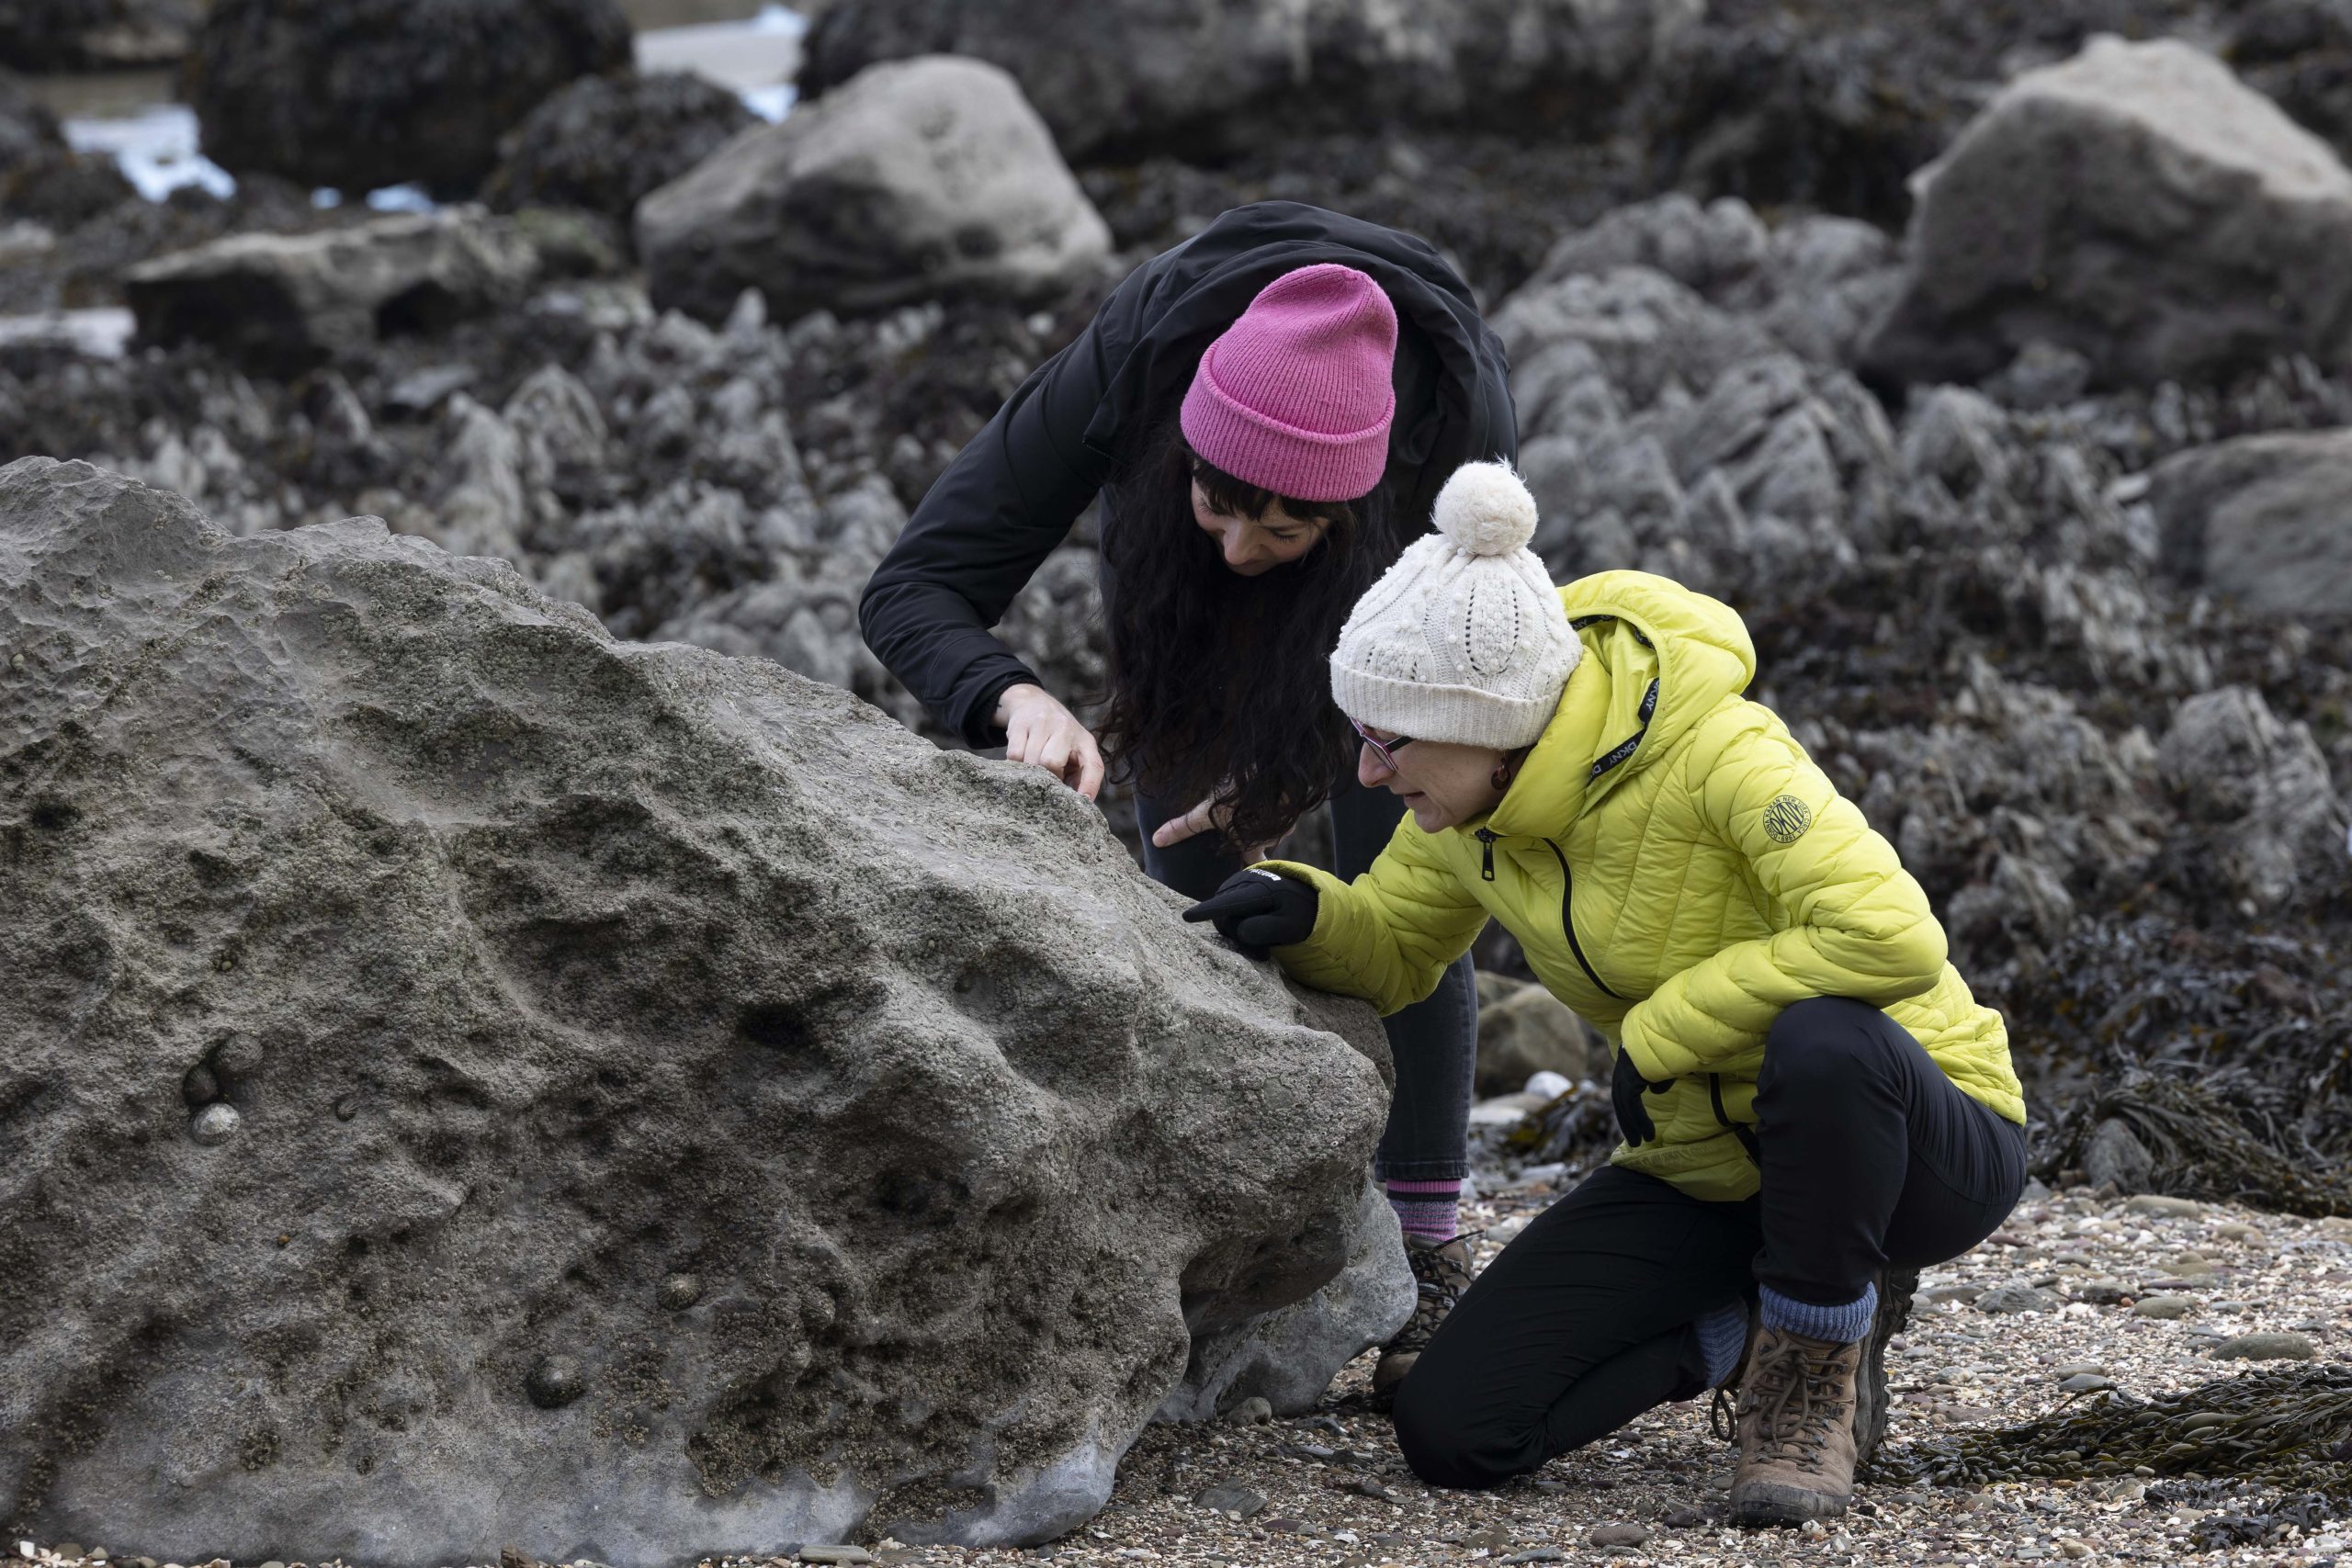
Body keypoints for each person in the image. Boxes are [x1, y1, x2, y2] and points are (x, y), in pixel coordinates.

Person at [1184, 461, 2027, 1522]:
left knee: (1823, 1040)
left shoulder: (1722, 750)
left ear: (1489, 726)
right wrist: (1304, 911)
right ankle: (1746, 1323)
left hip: (1915, 1145)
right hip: (1709, 1166)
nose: (1366, 771)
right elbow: (1398, 945)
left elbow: (1890, 937)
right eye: (1361, 732)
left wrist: (1662, 1031)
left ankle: (1813, 1365)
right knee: (1454, 1431)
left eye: (1389, 740)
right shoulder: (1468, 809)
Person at [859, 203, 1518, 1394]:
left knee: (1411, 852)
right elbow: (912, 588)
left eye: (1281, 525)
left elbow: (1482, 702)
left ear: (1344, 510)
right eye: (1225, 505)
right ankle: (1226, 1204)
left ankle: (1427, 1239)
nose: (1240, 546)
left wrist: (1306, 764)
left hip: (1391, 570)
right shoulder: (1128, 373)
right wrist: (1011, 697)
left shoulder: (1459, 444)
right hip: (1184, 485)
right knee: (1194, 850)